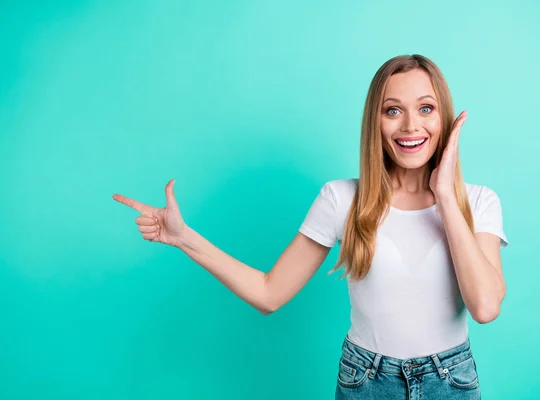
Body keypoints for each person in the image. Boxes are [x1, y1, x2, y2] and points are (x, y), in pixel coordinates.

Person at [113, 54, 508, 400]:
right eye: (392, 110)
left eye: (425, 108)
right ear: (376, 121)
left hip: (449, 382)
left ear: (445, 117)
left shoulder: (479, 202)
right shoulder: (341, 199)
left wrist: (443, 195)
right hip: (366, 383)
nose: (409, 126)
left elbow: (486, 307)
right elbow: (269, 293)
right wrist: (184, 237)